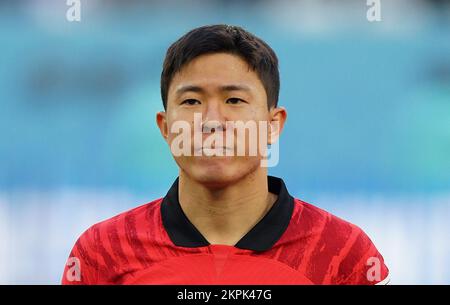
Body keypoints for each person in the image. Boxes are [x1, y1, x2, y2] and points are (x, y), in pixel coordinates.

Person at [62, 24, 389, 285]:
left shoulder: (343, 253)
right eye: (191, 102)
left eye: (234, 100)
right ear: (165, 127)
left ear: (273, 125)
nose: (212, 121)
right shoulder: (102, 253)